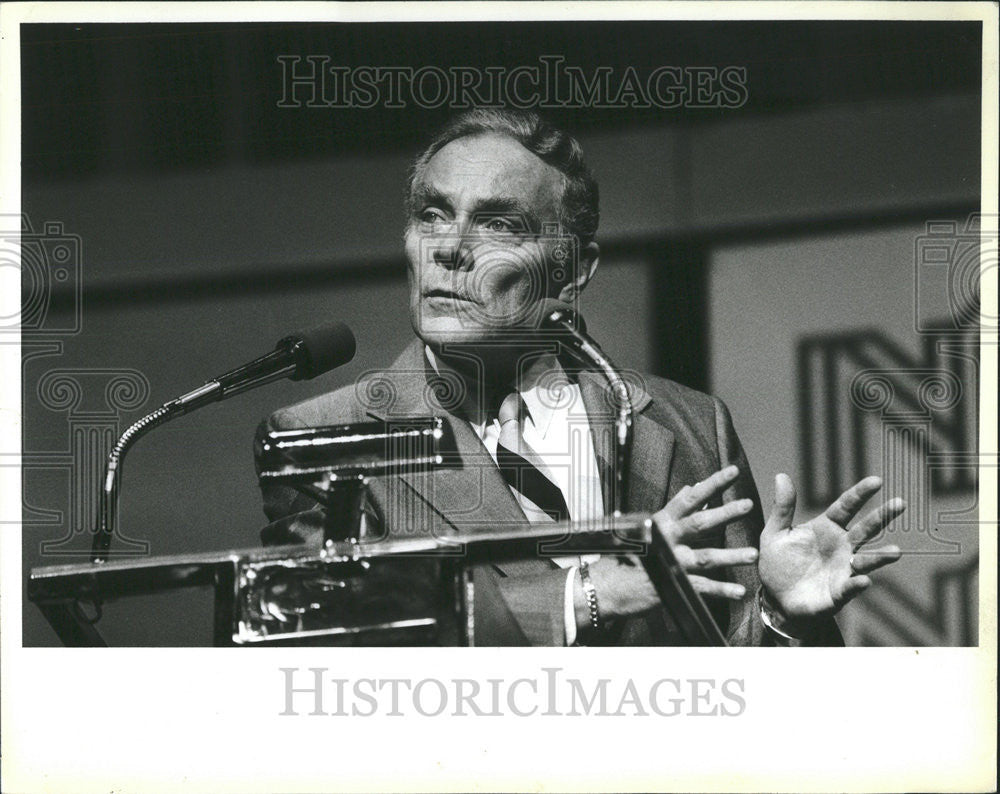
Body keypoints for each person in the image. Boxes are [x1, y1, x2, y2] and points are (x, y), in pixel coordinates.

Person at [256, 108, 903, 646]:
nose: (449, 248)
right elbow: (339, 662)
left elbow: (738, 683)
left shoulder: (686, 422)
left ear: (572, 269)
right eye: (432, 214)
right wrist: (587, 595)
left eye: (498, 223)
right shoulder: (323, 439)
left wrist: (782, 615)